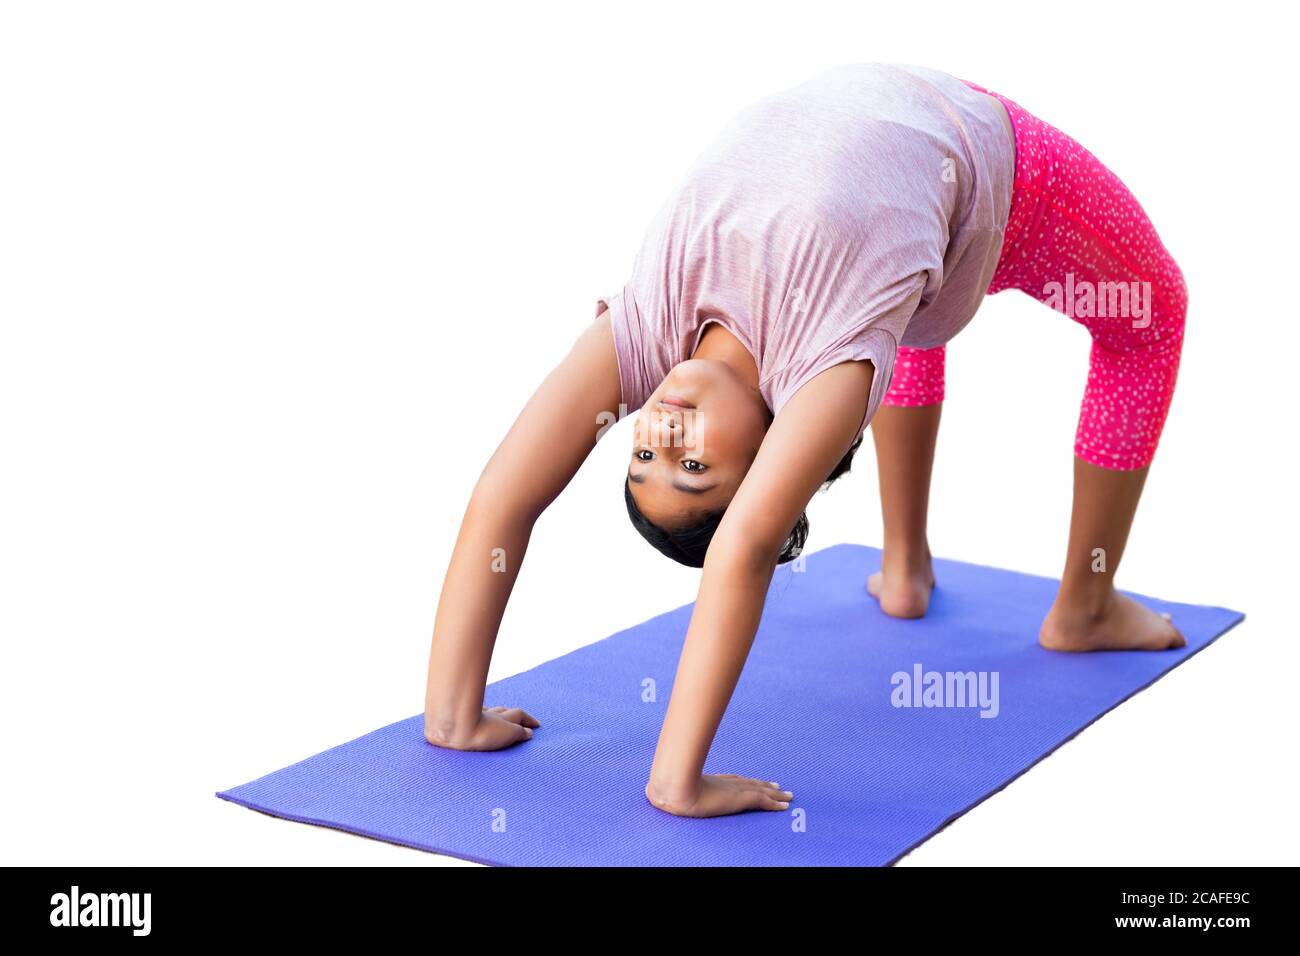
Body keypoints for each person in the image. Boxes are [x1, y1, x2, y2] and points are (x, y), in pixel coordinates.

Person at [423, 63, 1188, 818]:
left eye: (643, 453)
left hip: (904, 149)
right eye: (693, 464)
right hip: (994, 163)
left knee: (891, 301)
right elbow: (744, 548)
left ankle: (905, 569)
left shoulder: (651, 327)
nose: (660, 429)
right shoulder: (828, 374)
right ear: (773, 449)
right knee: (1151, 312)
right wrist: (675, 782)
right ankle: (1084, 608)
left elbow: (504, 494)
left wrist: (453, 716)